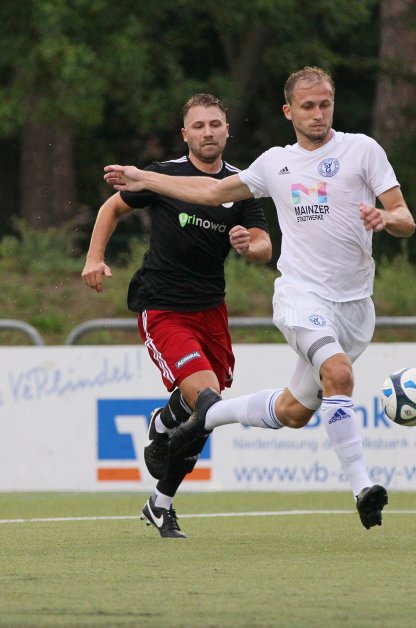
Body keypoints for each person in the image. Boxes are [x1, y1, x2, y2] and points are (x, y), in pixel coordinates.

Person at [104, 67, 416, 530]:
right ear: (289, 111)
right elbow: (210, 191)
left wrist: (386, 221)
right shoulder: (274, 163)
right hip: (301, 296)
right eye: (308, 106)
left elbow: (405, 218)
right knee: (338, 372)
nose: (318, 113)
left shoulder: (363, 150)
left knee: (292, 413)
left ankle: (206, 420)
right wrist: (144, 178)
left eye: (325, 103)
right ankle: (363, 488)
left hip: (355, 308)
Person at [82, 93, 272, 538]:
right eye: (199, 126)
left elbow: (265, 244)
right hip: (163, 307)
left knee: (209, 412)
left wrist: (251, 245)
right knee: (207, 401)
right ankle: (168, 421)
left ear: (228, 130)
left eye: (215, 124)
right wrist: (94, 257)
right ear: (185, 134)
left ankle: (160, 500)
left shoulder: (241, 185)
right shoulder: (165, 175)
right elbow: (113, 206)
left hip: (212, 311)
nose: (208, 132)